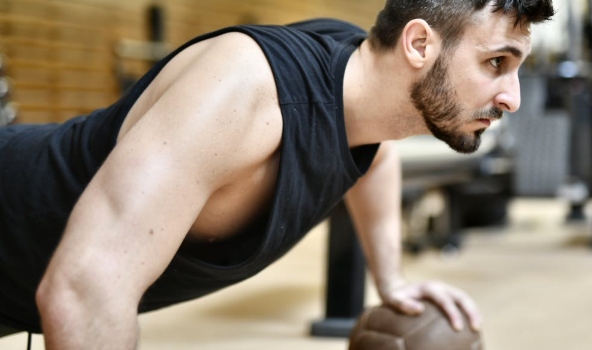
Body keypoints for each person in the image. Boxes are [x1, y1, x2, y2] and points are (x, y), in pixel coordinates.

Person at [0, 0, 554, 348]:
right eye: (495, 64)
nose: (513, 97)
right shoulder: (242, 91)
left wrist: (392, 280)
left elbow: (374, 156)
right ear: (418, 43)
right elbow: (83, 289)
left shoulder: (361, 85)